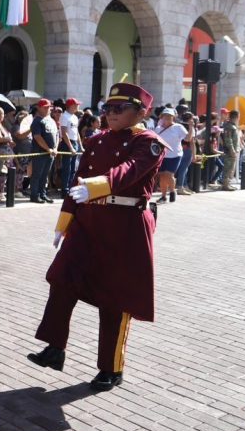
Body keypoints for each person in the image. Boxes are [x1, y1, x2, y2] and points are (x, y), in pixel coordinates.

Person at [28, 83, 166, 391]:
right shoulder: (96, 140)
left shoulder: (148, 143)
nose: (111, 115)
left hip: (125, 226)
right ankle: (55, 347)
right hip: (89, 221)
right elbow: (77, 181)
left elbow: (130, 171)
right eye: (108, 108)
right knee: (62, 278)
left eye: (119, 109)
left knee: (115, 299)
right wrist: (64, 220)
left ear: (140, 112)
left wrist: (98, 186)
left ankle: (110, 367)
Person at [154, 108, 187, 203]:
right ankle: (163, 196)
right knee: (162, 176)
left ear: (173, 117)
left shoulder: (178, 127)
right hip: (162, 155)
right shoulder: (158, 128)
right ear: (161, 117)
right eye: (165, 116)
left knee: (168, 174)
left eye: (169, 116)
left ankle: (172, 191)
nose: (167, 118)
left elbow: (188, 139)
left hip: (175, 155)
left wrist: (192, 127)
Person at [29, 99, 58, 203]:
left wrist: (55, 148)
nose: (47, 109)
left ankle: (42, 194)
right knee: (37, 174)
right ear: (39, 108)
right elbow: (37, 137)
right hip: (40, 152)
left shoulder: (51, 120)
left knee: (45, 174)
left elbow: (56, 135)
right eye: (45, 107)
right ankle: (34, 195)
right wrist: (48, 149)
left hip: (50, 153)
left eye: (48, 107)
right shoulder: (37, 121)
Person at [58, 98, 81, 196]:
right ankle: (65, 189)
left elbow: (76, 132)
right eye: (75, 105)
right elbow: (64, 132)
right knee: (67, 168)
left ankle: (71, 186)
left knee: (73, 168)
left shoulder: (75, 117)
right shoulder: (64, 116)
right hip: (67, 143)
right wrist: (70, 147)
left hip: (74, 142)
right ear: (70, 106)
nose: (77, 106)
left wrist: (80, 145)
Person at [220, 109, 239, 191]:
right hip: (230, 151)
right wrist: (232, 150)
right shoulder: (229, 126)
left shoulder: (232, 125)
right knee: (228, 168)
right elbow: (228, 139)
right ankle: (225, 184)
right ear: (236, 117)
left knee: (231, 168)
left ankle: (228, 183)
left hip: (233, 150)